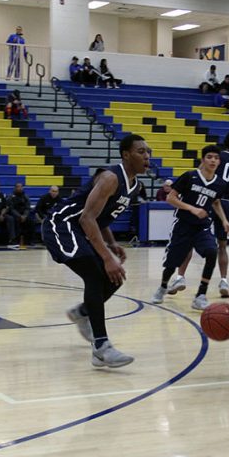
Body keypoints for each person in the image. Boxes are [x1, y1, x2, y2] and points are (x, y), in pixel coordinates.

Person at [41, 133, 150, 368]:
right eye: (141, 151)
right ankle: (101, 346)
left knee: (114, 279)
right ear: (126, 155)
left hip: (82, 228)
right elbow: (87, 218)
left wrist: (110, 243)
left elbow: (101, 218)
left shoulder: (134, 186)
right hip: (63, 224)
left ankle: (82, 312)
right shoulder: (111, 177)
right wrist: (107, 257)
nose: (147, 156)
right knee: (95, 272)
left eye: (148, 152)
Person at [152, 145, 229, 309]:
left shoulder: (220, 184)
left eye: (216, 158)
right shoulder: (189, 176)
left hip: (202, 227)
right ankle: (162, 286)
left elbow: (215, 202)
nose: (213, 160)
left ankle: (201, 295)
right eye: (209, 157)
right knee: (172, 262)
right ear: (203, 159)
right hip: (183, 224)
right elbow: (170, 198)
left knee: (212, 252)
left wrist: (224, 220)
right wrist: (191, 208)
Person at [170, 131, 229, 298]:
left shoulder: (216, 155)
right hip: (228, 202)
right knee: (222, 246)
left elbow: (201, 173)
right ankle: (224, 281)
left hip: (209, 198)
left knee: (189, 239)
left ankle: (180, 277)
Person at [8, 182, 34, 248]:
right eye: (18, 187)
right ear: (15, 188)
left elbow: (28, 208)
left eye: (21, 187)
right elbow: (11, 209)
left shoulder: (26, 197)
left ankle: (29, 241)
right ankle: (15, 240)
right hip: (16, 215)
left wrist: (25, 216)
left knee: (31, 221)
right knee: (15, 220)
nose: (19, 188)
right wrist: (19, 216)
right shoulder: (11, 197)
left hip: (24, 215)